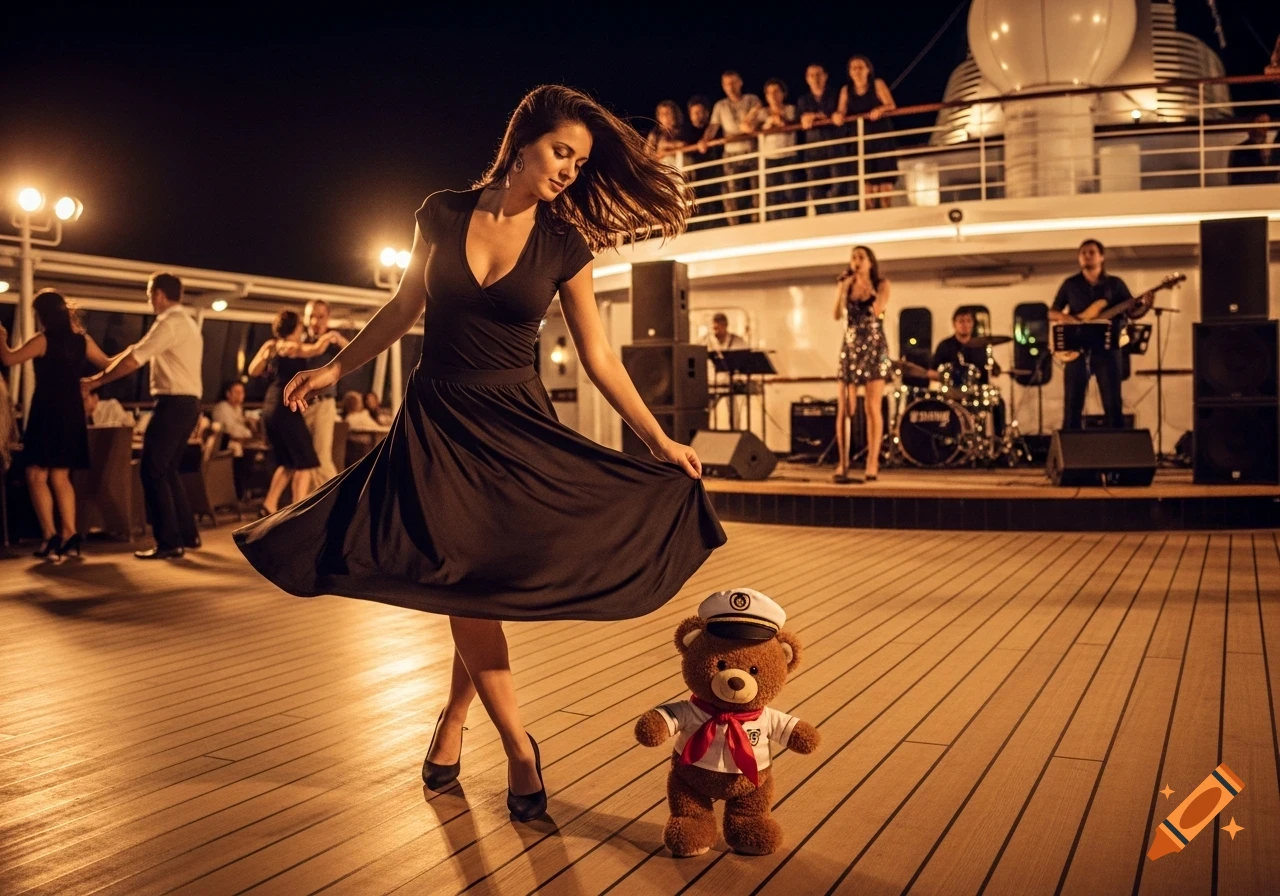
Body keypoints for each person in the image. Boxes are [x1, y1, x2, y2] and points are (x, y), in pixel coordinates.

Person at [233, 85, 725, 823]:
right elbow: (403, 310)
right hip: (437, 423)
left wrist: (658, 439)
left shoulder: (565, 243)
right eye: (563, 152)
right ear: (522, 141)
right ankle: (521, 749)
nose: (568, 170)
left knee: (477, 589)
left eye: (580, 162)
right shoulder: (441, 212)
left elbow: (599, 356)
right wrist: (336, 367)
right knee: (462, 584)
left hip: (516, 427)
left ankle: (454, 722)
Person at [82, 272, 205, 559]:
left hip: (173, 404)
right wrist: (107, 363)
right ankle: (188, 535)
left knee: (152, 469)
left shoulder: (169, 323)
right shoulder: (187, 322)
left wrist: (95, 382)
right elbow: (133, 353)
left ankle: (169, 543)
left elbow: (135, 360)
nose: (149, 299)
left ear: (160, 294)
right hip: (188, 403)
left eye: (150, 294)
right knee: (168, 470)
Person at [0, 290, 112, 559]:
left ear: (42, 315)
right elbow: (109, 363)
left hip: (47, 410)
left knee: (36, 474)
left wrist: (2, 339)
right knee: (61, 476)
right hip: (72, 410)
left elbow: (9, 359)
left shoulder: (43, 340)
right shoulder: (81, 340)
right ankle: (70, 536)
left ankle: (51, 537)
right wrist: (93, 382)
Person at [1050, 239, 1151, 430]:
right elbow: (1052, 312)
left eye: (1091, 252)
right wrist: (1072, 319)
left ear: (1101, 257)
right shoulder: (1070, 284)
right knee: (1072, 405)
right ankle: (1071, 453)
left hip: (1107, 349)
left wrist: (1146, 306)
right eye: (1083, 253)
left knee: (1113, 404)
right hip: (1077, 351)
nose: (1087, 256)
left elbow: (1132, 312)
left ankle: (1117, 453)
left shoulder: (1115, 284)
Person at [247, 310, 337, 516]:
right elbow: (316, 349)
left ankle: (268, 504)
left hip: (270, 405)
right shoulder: (293, 347)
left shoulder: (271, 346)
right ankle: (298, 511)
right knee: (306, 461)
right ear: (296, 327)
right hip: (286, 405)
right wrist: (329, 337)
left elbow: (253, 370)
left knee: (288, 462)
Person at [832, 245, 891, 483]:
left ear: (870, 262)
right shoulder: (845, 284)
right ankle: (843, 462)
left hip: (874, 347)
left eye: (861, 257)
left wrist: (866, 286)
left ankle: (872, 462)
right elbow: (836, 314)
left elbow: (878, 311)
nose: (856, 261)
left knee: (871, 407)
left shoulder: (881, 284)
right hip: (850, 348)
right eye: (853, 257)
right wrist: (842, 288)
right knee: (845, 408)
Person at [832, 55, 898, 209]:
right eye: (853, 68)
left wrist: (880, 109)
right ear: (849, 72)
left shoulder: (877, 84)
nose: (857, 71)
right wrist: (837, 116)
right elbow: (841, 111)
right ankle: (870, 213)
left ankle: (886, 213)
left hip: (881, 138)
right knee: (866, 181)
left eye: (860, 67)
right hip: (861, 139)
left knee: (884, 181)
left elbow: (891, 105)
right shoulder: (846, 90)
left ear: (868, 69)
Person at [700, 71, 762, 224]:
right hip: (731, 154)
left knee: (757, 189)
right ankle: (734, 224)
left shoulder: (752, 99)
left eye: (733, 83)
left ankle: (758, 220)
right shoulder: (720, 105)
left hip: (751, 151)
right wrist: (705, 140)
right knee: (732, 192)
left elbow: (756, 119)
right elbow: (713, 126)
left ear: (740, 82)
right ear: (723, 86)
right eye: (727, 84)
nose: (731, 87)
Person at [302, 299, 349, 484]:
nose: (315, 321)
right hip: (301, 407)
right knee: (305, 461)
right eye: (311, 316)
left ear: (328, 318)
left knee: (321, 459)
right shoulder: (300, 341)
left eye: (320, 316)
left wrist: (338, 339)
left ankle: (340, 500)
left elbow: (356, 357)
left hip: (323, 404)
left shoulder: (333, 343)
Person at [743, 78, 802, 220]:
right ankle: (774, 220)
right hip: (769, 157)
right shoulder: (763, 113)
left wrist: (781, 121)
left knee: (790, 191)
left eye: (776, 92)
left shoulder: (790, 109)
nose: (773, 95)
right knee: (771, 194)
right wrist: (754, 112)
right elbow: (745, 127)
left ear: (783, 94)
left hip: (788, 155)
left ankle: (790, 220)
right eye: (769, 93)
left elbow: (793, 125)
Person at [796, 63, 841, 213]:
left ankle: (838, 217)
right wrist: (820, 116)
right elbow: (804, 120)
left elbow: (831, 113)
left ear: (825, 76)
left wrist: (814, 116)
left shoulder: (835, 95)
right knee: (816, 189)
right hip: (814, 152)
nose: (815, 78)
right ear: (807, 79)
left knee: (839, 186)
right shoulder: (803, 100)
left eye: (818, 74)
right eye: (811, 75)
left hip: (835, 148)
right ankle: (823, 218)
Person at [683, 95, 723, 227]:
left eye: (701, 112)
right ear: (690, 115)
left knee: (715, 201)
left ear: (707, 113)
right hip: (695, 175)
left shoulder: (714, 130)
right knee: (698, 204)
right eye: (695, 113)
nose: (699, 115)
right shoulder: (687, 132)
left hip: (715, 171)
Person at [929, 307, 997, 386]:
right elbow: (933, 371)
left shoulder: (981, 346)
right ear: (954, 324)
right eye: (961, 321)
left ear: (973, 324)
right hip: (952, 392)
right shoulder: (945, 346)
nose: (965, 324)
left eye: (968, 321)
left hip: (977, 392)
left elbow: (993, 369)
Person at [1227, 113, 1277, 186]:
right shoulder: (1240, 151)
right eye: (1261, 123)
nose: (1264, 128)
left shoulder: (1272, 151)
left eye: (1267, 124)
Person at [211, 380, 257, 445]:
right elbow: (230, 431)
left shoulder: (238, 408)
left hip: (241, 441)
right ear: (228, 394)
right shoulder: (222, 408)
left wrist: (247, 421)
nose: (241, 395)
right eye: (237, 392)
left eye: (242, 392)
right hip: (226, 444)